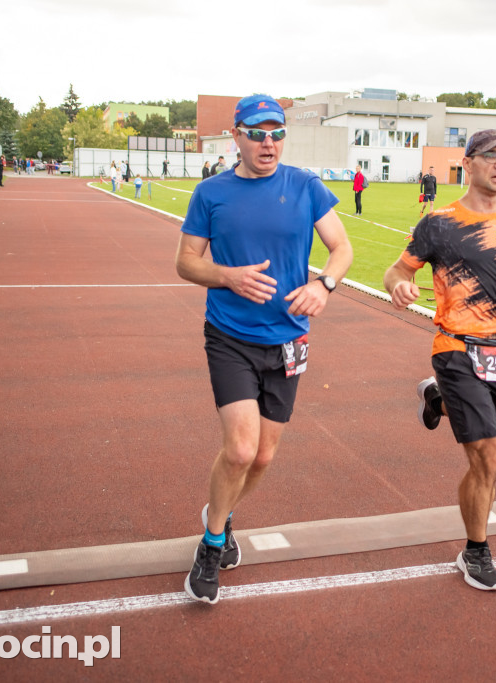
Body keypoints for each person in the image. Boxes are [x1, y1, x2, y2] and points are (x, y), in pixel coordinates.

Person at [176, 94, 353, 604]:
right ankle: (212, 544)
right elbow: (187, 263)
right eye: (257, 132)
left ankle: (222, 512)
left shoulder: (305, 186)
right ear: (236, 136)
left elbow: (341, 249)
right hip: (230, 336)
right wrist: (227, 276)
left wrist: (325, 285)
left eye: (277, 132)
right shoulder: (211, 193)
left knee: (263, 458)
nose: (269, 142)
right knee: (240, 449)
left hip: (290, 340)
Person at [382, 129, 496, 592]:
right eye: (490, 156)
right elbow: (398, 269)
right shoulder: (439, 223)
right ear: (469, 163)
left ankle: (439, 401)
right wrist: (399, 284)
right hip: (455, 346)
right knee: (485, 459)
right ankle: (476, 551)